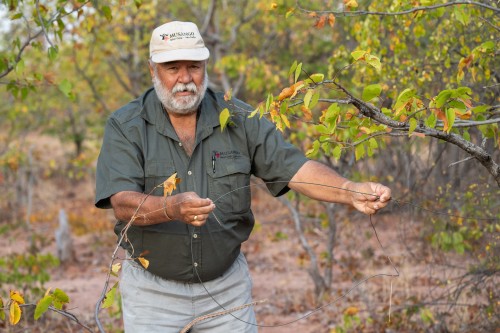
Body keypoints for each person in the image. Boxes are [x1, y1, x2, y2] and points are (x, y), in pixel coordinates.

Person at [95, 20, 391, 333]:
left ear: (206, 65)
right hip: (152, 296)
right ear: (152, 69)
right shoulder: (125, 125)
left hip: (227, 291)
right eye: (172, 68)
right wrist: (172, 208)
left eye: (194, 66)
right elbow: (122, 203)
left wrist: (349, 190)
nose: (185, 79)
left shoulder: (238, 117)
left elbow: (293, 167)